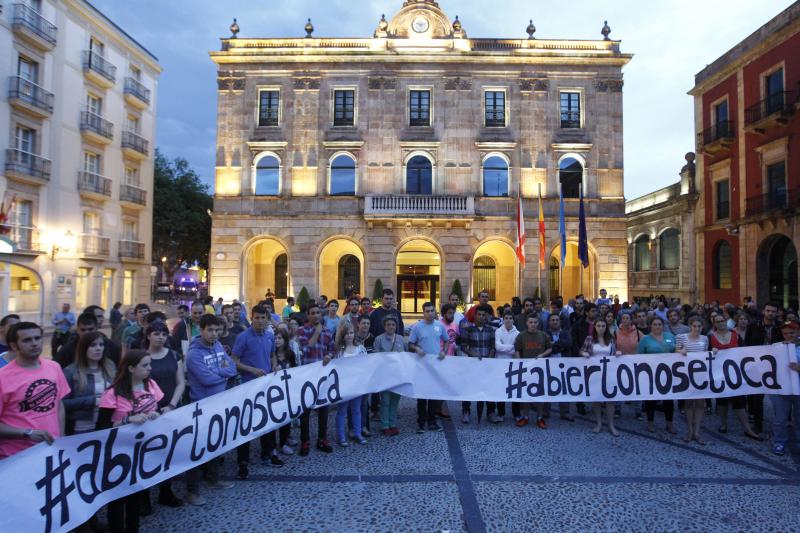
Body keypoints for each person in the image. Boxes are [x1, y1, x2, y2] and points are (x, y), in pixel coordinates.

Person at [96, 349, 162, 532]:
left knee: (136, 496)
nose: (150, 368)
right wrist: (126, 421)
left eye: (150, 364)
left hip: (143, 451)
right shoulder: (112, 393)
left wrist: (157, 414)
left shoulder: (151, 385)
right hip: (118, 454)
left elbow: (160, 409)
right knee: (117, 500)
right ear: (131, 368)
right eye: (145, 365)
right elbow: (101, 428)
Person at [185, 315, 237, 505]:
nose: (214, 334)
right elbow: (206, 379)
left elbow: (231, 368)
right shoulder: (194, 354)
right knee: (198, 449)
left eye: (217, 330)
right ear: (201, 329)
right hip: (202, 405)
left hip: (219, 402)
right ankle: (192, 490)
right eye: (210, 330)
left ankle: (213, 478)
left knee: (216, 443)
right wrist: (222, 375)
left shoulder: (217, 346)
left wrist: (219, 373)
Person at [0, 322, 70, 459]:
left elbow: (59, 406)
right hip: (15, 457)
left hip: (50, 452)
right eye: (27, 340)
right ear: (14, 346)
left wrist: (60, 438)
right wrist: (28, 433)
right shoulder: (2, 377)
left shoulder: (54, 367)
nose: (34, 343)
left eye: (37, 338)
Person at [233, 305, 284, 479]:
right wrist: (252, 370)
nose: (260, 321)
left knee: (267, 421)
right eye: (257, 318)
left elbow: (272, 355)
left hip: (265, 386)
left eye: (263, 318)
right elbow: (234, 361)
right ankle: (243, 462)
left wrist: (275, 364)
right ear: (251, 317)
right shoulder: (243, 337)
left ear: (267, 319)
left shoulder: (270, 336)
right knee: (246, 425)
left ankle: (267, 453)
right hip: (248, 387)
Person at [140, 320, 186, 508]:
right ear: (148, 335)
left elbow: (180, 382)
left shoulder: (174, 355)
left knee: (167, 453)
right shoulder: (141, 357)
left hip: (169, 410)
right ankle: (144, 498)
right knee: (146, 455)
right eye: (156, 333)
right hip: (146, 414)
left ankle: (165, 492)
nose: (160, 337)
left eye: (163, 334)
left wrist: (172, 405)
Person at [708, 315, 760, 440]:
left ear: (726, 322)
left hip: (736, 373)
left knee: (739, 401)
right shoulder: (711, 338)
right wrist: (711, 351)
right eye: (718, 322)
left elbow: (744, 352)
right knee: (722, 400)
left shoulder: (736, 335)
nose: (721, 323)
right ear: (714, 324)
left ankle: (747, 429)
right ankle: (723, 424)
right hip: (719, 374)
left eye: (723, 321)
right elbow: (706, 355)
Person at [296, 303, 335, 456]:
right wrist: (317, 332)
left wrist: (329, 355)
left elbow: (332, 348)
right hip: (306, 377)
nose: (316, 315)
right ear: (308, 315)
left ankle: (322, 439)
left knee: (323, 409)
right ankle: (305, 441)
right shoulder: (301, 331)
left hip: (322, 376)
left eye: (318, 312)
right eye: (312, 313)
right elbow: (305, 349)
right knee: (305, 411)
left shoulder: (328, 331)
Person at [63, 331, 115, 435]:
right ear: (83, 348)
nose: (98, 348)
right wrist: (93, 401)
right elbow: (63, 403)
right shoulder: (71, 371)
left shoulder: (110, 366)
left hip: (107, 425)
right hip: (82, 429)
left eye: (101, 345)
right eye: (93, 345)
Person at [409, 302, 449, 432]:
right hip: (421, 366)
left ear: (435, 311)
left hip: (435, 366)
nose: (430, 313)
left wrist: (444, 351)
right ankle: (421, 422)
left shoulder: (439, 326)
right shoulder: (417, 327)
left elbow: (447, 340)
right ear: (423, 312)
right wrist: (417, 349)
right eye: (427, 311)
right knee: (422, 396)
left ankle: (432, 421)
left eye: (432, 310)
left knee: (433, 394)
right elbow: (410, 344)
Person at [744, 302, 782, 434]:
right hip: (757, 366)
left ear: (776, 313)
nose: (770, 313)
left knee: (778, 396)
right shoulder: (753, 326)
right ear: (763, 312)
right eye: (768, 311)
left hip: (776, 367)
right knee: (756, 397)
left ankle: (781, 423)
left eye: (773, 311)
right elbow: (746, 345)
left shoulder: (781, 327)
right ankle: (758, 424)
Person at [637, 316, 677, 434]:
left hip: (668, 372)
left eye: (660, 324)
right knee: (651, 399)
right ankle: (650, 423)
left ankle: (669, 424)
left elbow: (676, 350)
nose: (657, 326)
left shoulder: (670, 337)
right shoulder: (645, 339)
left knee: (669, 399)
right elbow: (639, 355)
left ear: (663, 325)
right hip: (651, 373)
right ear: (651, 326)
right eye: (655, 324)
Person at [580, 319, 619, 436]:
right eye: (598, 325)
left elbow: (614, 352)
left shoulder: (611, 339)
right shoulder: (589, 339)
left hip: (609, 372)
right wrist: (584, 354)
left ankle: (611, 425)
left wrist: (617, 354)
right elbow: (581, 350)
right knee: (596, 398)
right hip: (594, 373)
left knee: (609, 399)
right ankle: (599, 423)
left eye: (603, 326)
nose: (601, 328)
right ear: (595, 327)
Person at [514, 314, 552, 427]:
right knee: (525, 394)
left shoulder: (543, 335)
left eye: (535, 322)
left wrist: (542, 354)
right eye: (530, 322)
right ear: (527, 323)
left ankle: (540, 418)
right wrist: (519, 363)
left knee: (540, 394)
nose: (533, 324)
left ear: (538, 323)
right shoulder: (521, 336)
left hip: (540, 369)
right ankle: (525, 417)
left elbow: (550, 348)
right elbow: (517, 350)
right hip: (526, 369)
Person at [334, 322, 368, 446]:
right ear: (342, 335)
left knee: (356, 410)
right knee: (342, 411)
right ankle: (341, 436)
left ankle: (358, 433)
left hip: (357, 384)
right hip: (343, 385)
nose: (349, 335)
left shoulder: (360, 349)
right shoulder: (339, 352)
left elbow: (366, 365)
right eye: (347, 333)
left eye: (351, 333)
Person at [460, 303, 495, 424]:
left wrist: (489, 358)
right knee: (469, 388)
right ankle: (466, 411)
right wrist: (472, 354)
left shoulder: (490, 330)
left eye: (483, 315)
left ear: (486, 317)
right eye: (479, 314)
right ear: (474, 316)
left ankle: (490, 412)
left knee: (489, 388)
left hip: (487, 364)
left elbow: (492, 346)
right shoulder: (468, 330)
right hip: (472, 364)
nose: (481, 317)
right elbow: (463, 347)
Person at [373, 316, 406, 436]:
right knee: (385, 400)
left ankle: (393, 423)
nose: (391, 327)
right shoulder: (379, 339)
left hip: (398, 375)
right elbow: (375, 356)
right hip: (385, 375)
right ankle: (385, 425)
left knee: (395, 400)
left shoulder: (401, 339)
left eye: (393, 324)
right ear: (384, 326)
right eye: (388, 325)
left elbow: (406, 356)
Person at [772, 320, 800, 456]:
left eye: (792, 333)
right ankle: (779, 442)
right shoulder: (778, 347)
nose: (789, 335)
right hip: (782, 388)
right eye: (786, 333)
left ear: (798, 332)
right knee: (780, 418)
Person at [56, 313, 122, 368]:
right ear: (78, 330)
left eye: (90, 329)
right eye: (83, 330)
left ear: (96, 328)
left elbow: (118, 368)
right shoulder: (67, 350)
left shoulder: (110, 346)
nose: (87, 333)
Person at [271, 329, 298, 454]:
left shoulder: (290, 354)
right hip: (273, 393)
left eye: (280, 338)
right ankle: (271, 446)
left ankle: (283, 442)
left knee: (286, 419)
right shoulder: (270, 354)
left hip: (287, 391)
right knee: (273, 420)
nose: (277, 341)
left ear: (285, 340)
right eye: (275, 338)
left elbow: (295, 370)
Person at [494, 311, 519, 422]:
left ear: (513, 320)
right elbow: (497, 347)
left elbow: (517, 349)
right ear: (503, 319)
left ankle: (516, 413)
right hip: (500, 364)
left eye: (510, 318)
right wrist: (510, 348)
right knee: (500, 390)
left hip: (513, 365)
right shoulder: (498, 331)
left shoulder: (518, 333)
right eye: (506, 318)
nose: (508, 320)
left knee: (514, 390)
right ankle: (501, 413)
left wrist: (505, 347)